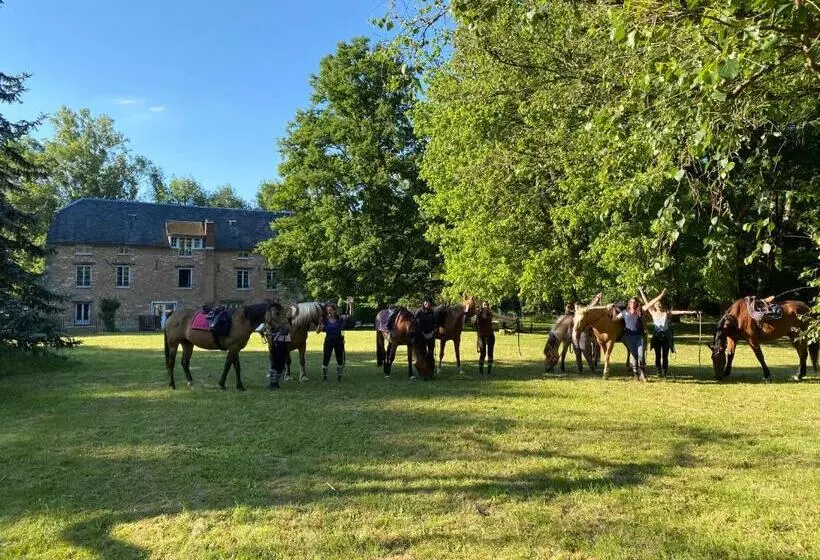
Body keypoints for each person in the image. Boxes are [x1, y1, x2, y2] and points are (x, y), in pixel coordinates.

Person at [638, 288, 700, 377]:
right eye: (657, 304)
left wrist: (692, 312)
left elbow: (678, 312)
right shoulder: (652, 312)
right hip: (657, 336)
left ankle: (665, 371)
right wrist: (641, 291)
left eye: (660, 304)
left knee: (665, 355)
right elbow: (647, 302)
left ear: (662, 305)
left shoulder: (666, 313)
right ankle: (659, 370)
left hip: (665, 336)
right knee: (658, 355)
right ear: (654, 306)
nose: (658, 305)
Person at [615, 289, 666, 381]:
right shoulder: (624, 312)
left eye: (634, 302)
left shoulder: (640, 310)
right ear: (629, 303)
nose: (632, 303)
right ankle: (635, 374)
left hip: (639, 337)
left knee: (641, 355)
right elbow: (614, 319)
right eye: (631, 302)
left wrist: (661, 296)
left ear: (636, 303)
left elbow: (651, 303)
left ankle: (642, 372)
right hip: (629, 337)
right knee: (634, 356)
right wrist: (608, 309)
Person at [316, 297, 354, 382]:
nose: (329, 312)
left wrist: (350, 304)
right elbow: (317, 332)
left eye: (330, 310)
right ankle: (325, 377)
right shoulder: (325, 320)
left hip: (339, 341)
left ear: (334, 311)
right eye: (327, 310)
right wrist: (320, 325)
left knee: (339, 359)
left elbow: (350, 315)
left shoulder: (340, 319)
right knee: (326, 358)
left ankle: (339, 375)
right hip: (328, 341)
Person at [475, 301, 497, 376]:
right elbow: (470, 315)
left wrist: (512, 319)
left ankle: (489, 372)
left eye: (487, 305)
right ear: (482, 306)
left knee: (490, 353)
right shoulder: (478, 314)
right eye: (484, 305)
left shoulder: (490, 314)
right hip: (481, 336)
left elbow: (500, 317)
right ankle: (481, 371)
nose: (486, 306)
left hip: (490, 335)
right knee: (483, 353)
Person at [267, 322, 291, 390]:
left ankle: (276, 382)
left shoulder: (285, 320)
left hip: (284, 341)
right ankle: (272, 383)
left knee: (281, 363)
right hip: (276, 342)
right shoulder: (273, 319)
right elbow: (269, 327)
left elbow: (288, 328)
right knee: (275, 363)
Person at [415, 297, 437, 370]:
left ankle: (431, 367)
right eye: (425, 302)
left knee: (431, 352)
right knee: (423, 352)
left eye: (428, 302)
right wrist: (421, 333)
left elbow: (435, 323)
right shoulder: (419, 312)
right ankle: (423, 367)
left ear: (430, 303)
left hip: (431, 335)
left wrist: (432, 332)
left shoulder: (432, 312)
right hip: (421, 335)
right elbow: (415, 323)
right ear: (423, 303)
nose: (427, 303)